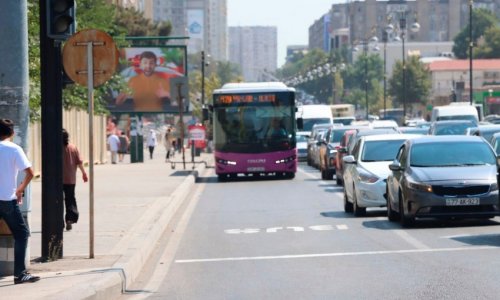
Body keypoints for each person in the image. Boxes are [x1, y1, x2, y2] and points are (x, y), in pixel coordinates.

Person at [0, 119, 40, 284]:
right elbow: (30, 173)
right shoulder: (15, 149)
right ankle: (20, 274)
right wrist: (20, 189)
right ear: (12, 133)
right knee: (22, 234)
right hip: (7, 200)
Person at [62, 129, 88, 231]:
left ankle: (58, 222)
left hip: (57, 180)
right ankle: (70, 219)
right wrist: (84, 173)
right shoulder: (73, 147)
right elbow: (79, 162)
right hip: (70, 179)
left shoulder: (55, 148)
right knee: (70, 199)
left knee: (57, 201)